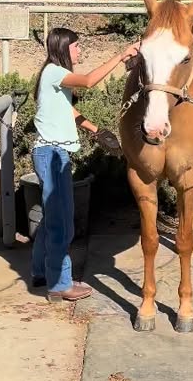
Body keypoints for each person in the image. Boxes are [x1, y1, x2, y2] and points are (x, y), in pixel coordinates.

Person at [31, 27, 139, 302]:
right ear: (63, 48)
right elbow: (90, 81)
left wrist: (96, 130)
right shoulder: (54, 71)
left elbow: (67, 109)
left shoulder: (53, 76)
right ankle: (60, 284)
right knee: (61, 223)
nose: (80, 51)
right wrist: (121, 56)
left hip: (51, 153)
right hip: (52, 155)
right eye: (76, 46)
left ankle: (41, 272)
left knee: (52, 218)